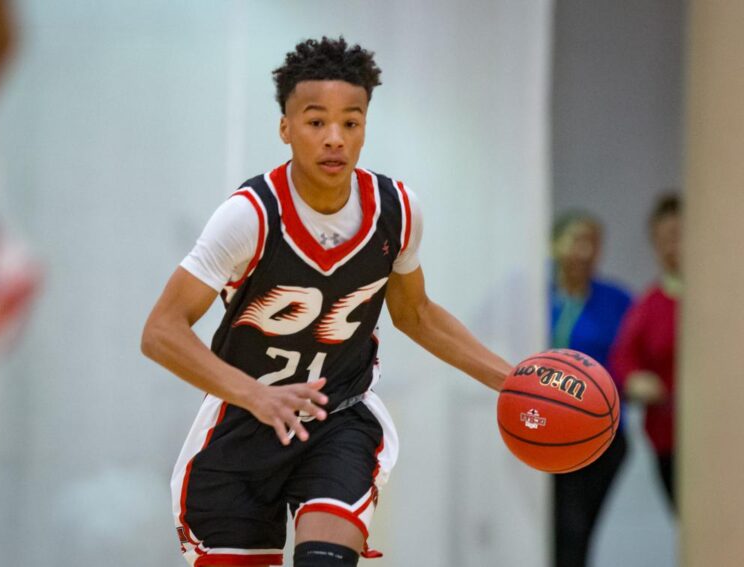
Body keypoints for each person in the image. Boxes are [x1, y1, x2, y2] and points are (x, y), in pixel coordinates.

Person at [141, 37, 512, 567]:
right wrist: (257, 396)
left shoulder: (397, 211)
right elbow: (161, 331)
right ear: (285, 128)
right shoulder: (250, 216)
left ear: (365, 127)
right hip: (243, 427)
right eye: (316, 122)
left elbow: (416, 313)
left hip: (337, 419)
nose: (335, 138)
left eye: (351, 122)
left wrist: (510, 379)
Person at [549, 211, 632, 567]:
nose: (585, 252)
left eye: (593, 243)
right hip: (543, 433)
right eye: (577, 240)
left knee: (576, 532)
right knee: (555, 533)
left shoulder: (617, 300)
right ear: (554, 245)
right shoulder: (533, 296)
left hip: (602, 437)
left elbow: (634, 360)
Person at [610, 194, 681, 510]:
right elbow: (623, 358)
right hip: (671, 439)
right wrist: (636, 381)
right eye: (664, 239)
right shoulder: (649, 306)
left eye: (680, 236)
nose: (673, 247)